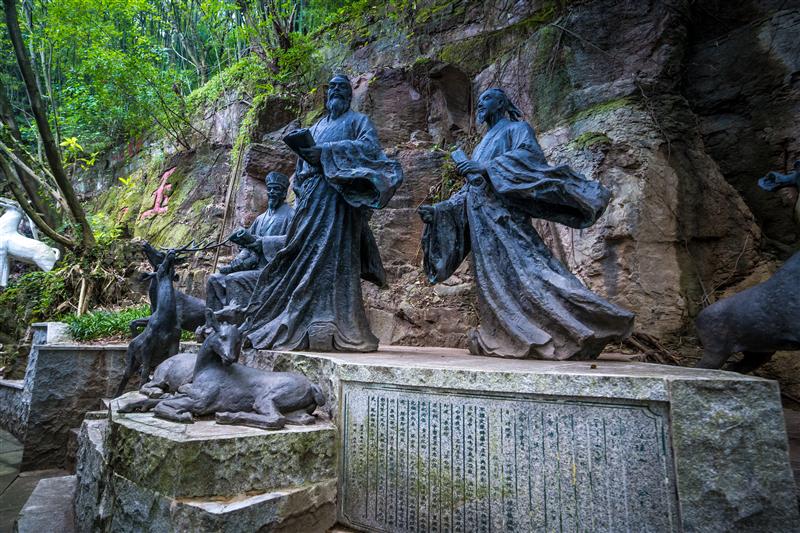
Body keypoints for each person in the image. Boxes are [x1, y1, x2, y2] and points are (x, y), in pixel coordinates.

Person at [418, 88, 634, 360]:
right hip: (481, 225)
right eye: (480, 100)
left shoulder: (517, 129)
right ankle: (505, 335)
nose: (481, 105)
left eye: (486, 99)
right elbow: (473, 188)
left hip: (506, 217)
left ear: (501, 103)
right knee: (494, 282)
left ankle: (582, 324)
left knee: (533, 270)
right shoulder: (482, 143)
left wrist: (486, 168)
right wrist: (440, 210)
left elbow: (530, 159)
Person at [242, 74, 403, 351]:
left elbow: (370, 150)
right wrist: (304, 181)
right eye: (332, 89)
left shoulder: (358, 122)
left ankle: (337, 320)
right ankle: (299, 315)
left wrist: (326, 153)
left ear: (349, 94)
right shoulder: (316, 127)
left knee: (335, 257)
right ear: (326, 95)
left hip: (339, 203)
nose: (336, 93)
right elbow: (300, 169)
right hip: (311, 202)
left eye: (342, 88)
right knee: (301, 255)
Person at [206, 171, 294, 310]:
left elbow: (293, 240)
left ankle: (239, 319)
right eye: (269, 189)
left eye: (276, 189)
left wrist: (263, 243)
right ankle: (212, 323)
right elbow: (248, 245)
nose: (272, 192)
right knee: (214, 279)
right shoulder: (260, 219)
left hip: (273, 271)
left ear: (284, 194)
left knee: (232, 279)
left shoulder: (291, 215)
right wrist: (239, 259)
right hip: (253, 267)